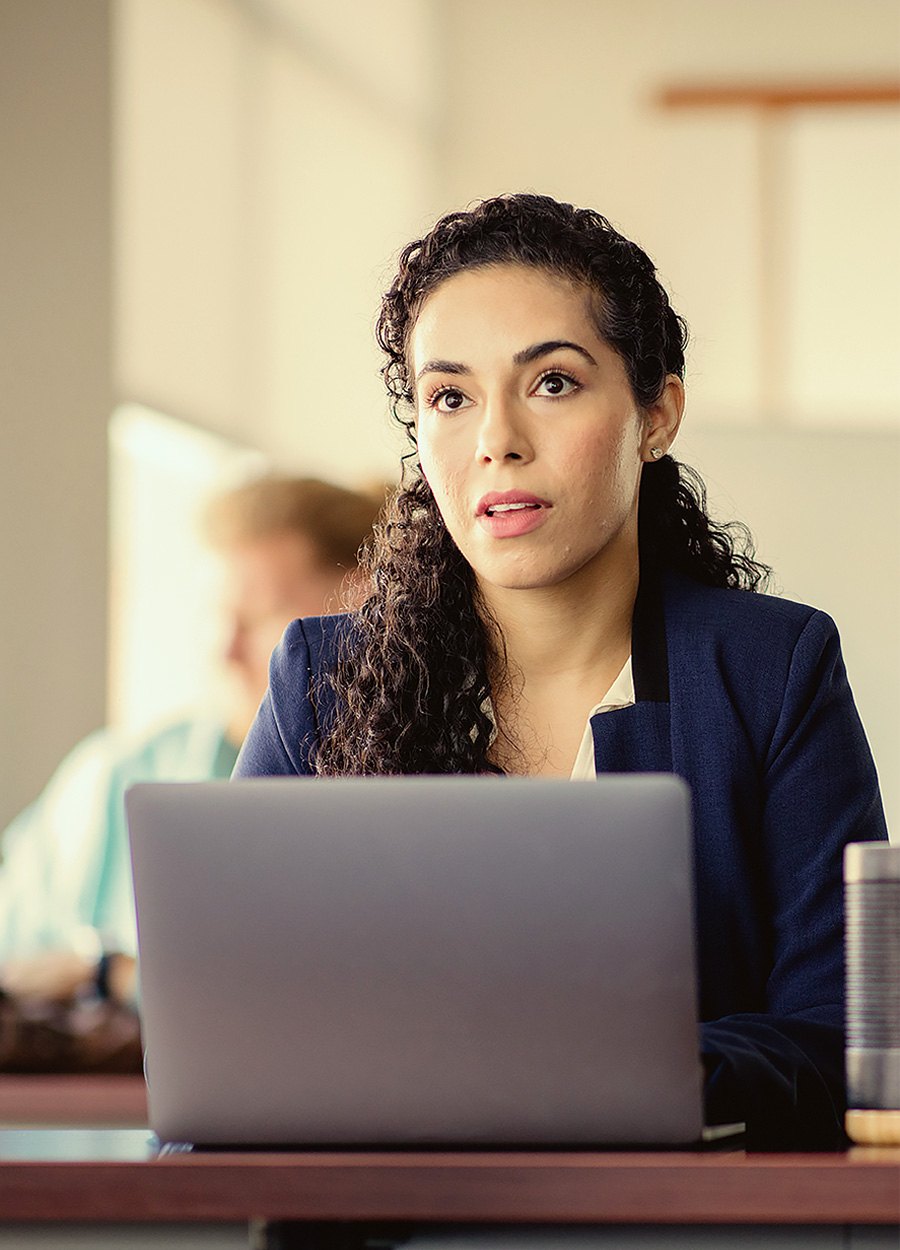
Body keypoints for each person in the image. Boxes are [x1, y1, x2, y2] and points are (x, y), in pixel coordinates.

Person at [235, 194, 888, 1149]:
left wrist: (637, 1066)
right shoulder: (319, 679)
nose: (496, 439)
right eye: (449, 397)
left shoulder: (770, 670)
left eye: (551, 383)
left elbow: (839, 1037)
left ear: (656, 413)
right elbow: (239, 1028)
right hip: (392, 1217)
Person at [0, 475, 381, 1025]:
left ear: (364, 608)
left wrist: (110, 975)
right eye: (218, 616)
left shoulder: (413, 782)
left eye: (258, 619)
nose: (226, 651)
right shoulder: (114, 775)